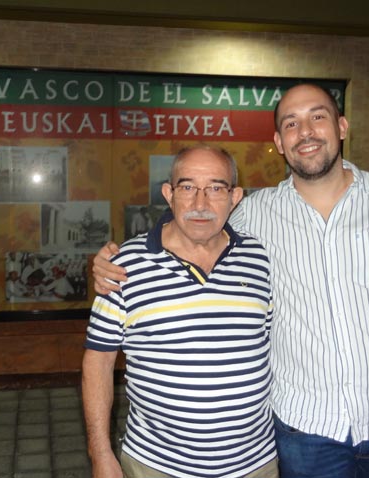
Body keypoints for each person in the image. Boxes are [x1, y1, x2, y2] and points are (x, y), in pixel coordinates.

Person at [93, 84, 369, 477]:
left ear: (342, 126)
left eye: (318, 116)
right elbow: (195, 218)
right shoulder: (255, 214)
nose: (307, 132)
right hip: (304, 433)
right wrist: (118, 259)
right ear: (279, 142)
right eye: (291, 123)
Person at [83, 145, 278, 478]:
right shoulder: (124, 266)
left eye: (216, 188)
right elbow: (99, 361)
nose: (200, 204)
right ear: (168, 194)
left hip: (255, 465)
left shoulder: (259, 258)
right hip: (155, 466)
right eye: (188, 188)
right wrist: (100, 454)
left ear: (235, 197)